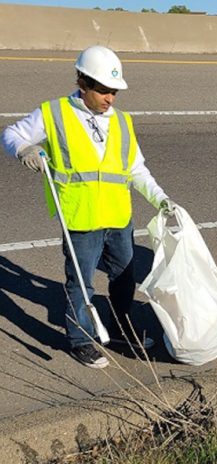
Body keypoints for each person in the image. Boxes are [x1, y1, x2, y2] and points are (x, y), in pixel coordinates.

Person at [1, 45, 177, 368]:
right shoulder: (54, 113)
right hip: (80, 219)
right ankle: (81, 339)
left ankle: (122, 327)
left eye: (114, 91)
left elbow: (136, 169)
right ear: (83, 83)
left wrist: (161, 199)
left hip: (118, 218)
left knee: (124, 278)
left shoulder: (122, 122)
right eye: (103, 90)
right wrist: (25, 148)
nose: (110, 97)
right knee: (81, 281)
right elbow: (11, 134)